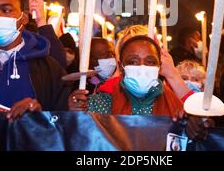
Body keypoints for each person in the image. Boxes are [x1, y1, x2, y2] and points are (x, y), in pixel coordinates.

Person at [69, 35, 213, 141]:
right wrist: (73, 114)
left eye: (150, 62)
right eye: (133, 61)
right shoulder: (97, 104)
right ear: (121, 67)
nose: (142, 67)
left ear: (159, 67)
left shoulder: (178, 108)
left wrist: (197, 127)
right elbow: (78, 139)